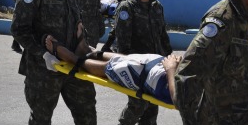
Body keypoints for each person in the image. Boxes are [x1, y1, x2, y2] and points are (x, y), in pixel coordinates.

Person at [113, 0, 172, 125]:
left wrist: (169, 55)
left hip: (156, 62)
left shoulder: (157, 6)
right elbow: (123, 41)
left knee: (153, 101)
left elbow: (163, 34)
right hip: (137, 64)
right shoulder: (126, 7)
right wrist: (131, 63)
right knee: (138, 102)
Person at [43, 32, 181, 105]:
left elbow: (178, 100)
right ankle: (88, 52)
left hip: (153, 79)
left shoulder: (200, 99)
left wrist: (171, 69)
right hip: (158, 65)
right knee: (124, 58)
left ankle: (73, 59)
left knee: (111, 68)